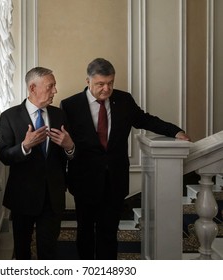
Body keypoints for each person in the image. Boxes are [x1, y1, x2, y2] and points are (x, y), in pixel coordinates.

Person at [60, 58, 190, 260]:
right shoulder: (70, 105)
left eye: (110, 83)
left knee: (109, 232)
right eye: (100, 84)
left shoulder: (123, 100)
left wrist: (175, 131)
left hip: (115, 179)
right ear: (88, 81)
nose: (106, 88)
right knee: (85, 231)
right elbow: (64, 145)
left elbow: (145, 119)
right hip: (84, 180)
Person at [0, 67, 75, 260]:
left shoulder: (59, 115)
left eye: (54, 86)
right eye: (50, 86)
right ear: (33, 88)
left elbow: (70, 155)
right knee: (22, 250)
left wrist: (69, 146)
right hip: (22, 195)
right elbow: (4, 156)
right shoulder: (9, 116)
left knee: (48, 250)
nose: (55, 91)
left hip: (53, 195)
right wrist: (25, 146)